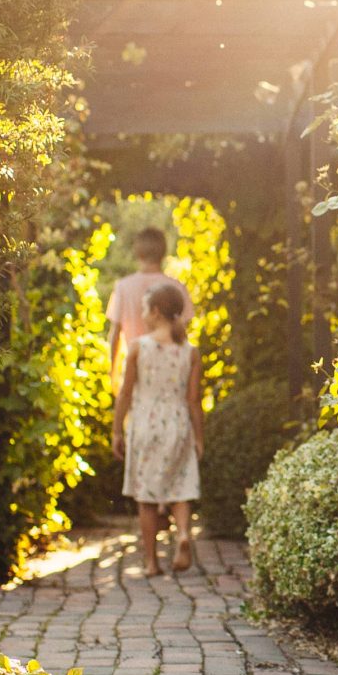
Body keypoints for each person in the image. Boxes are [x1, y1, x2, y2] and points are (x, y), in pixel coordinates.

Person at [113, 278, 204, 575]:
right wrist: (199, 437)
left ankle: (151, 563)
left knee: (147, 497)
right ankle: (182, 535)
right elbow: (194, 401)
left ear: (154, 311)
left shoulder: (138, 347)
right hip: (177, 423)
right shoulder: (190, 351)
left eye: (143, 308)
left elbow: (125, 393)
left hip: (145, 425)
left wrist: (116, 430)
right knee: (180, 487)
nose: (141, 313)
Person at [105, 225, 191, 378]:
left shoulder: (123, 287)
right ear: (163, 252)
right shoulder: (177, 287)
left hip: (135, 368)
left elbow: (115, 334)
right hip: (170, 370)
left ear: (138, 252)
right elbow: (183, 331)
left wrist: (112, 371)